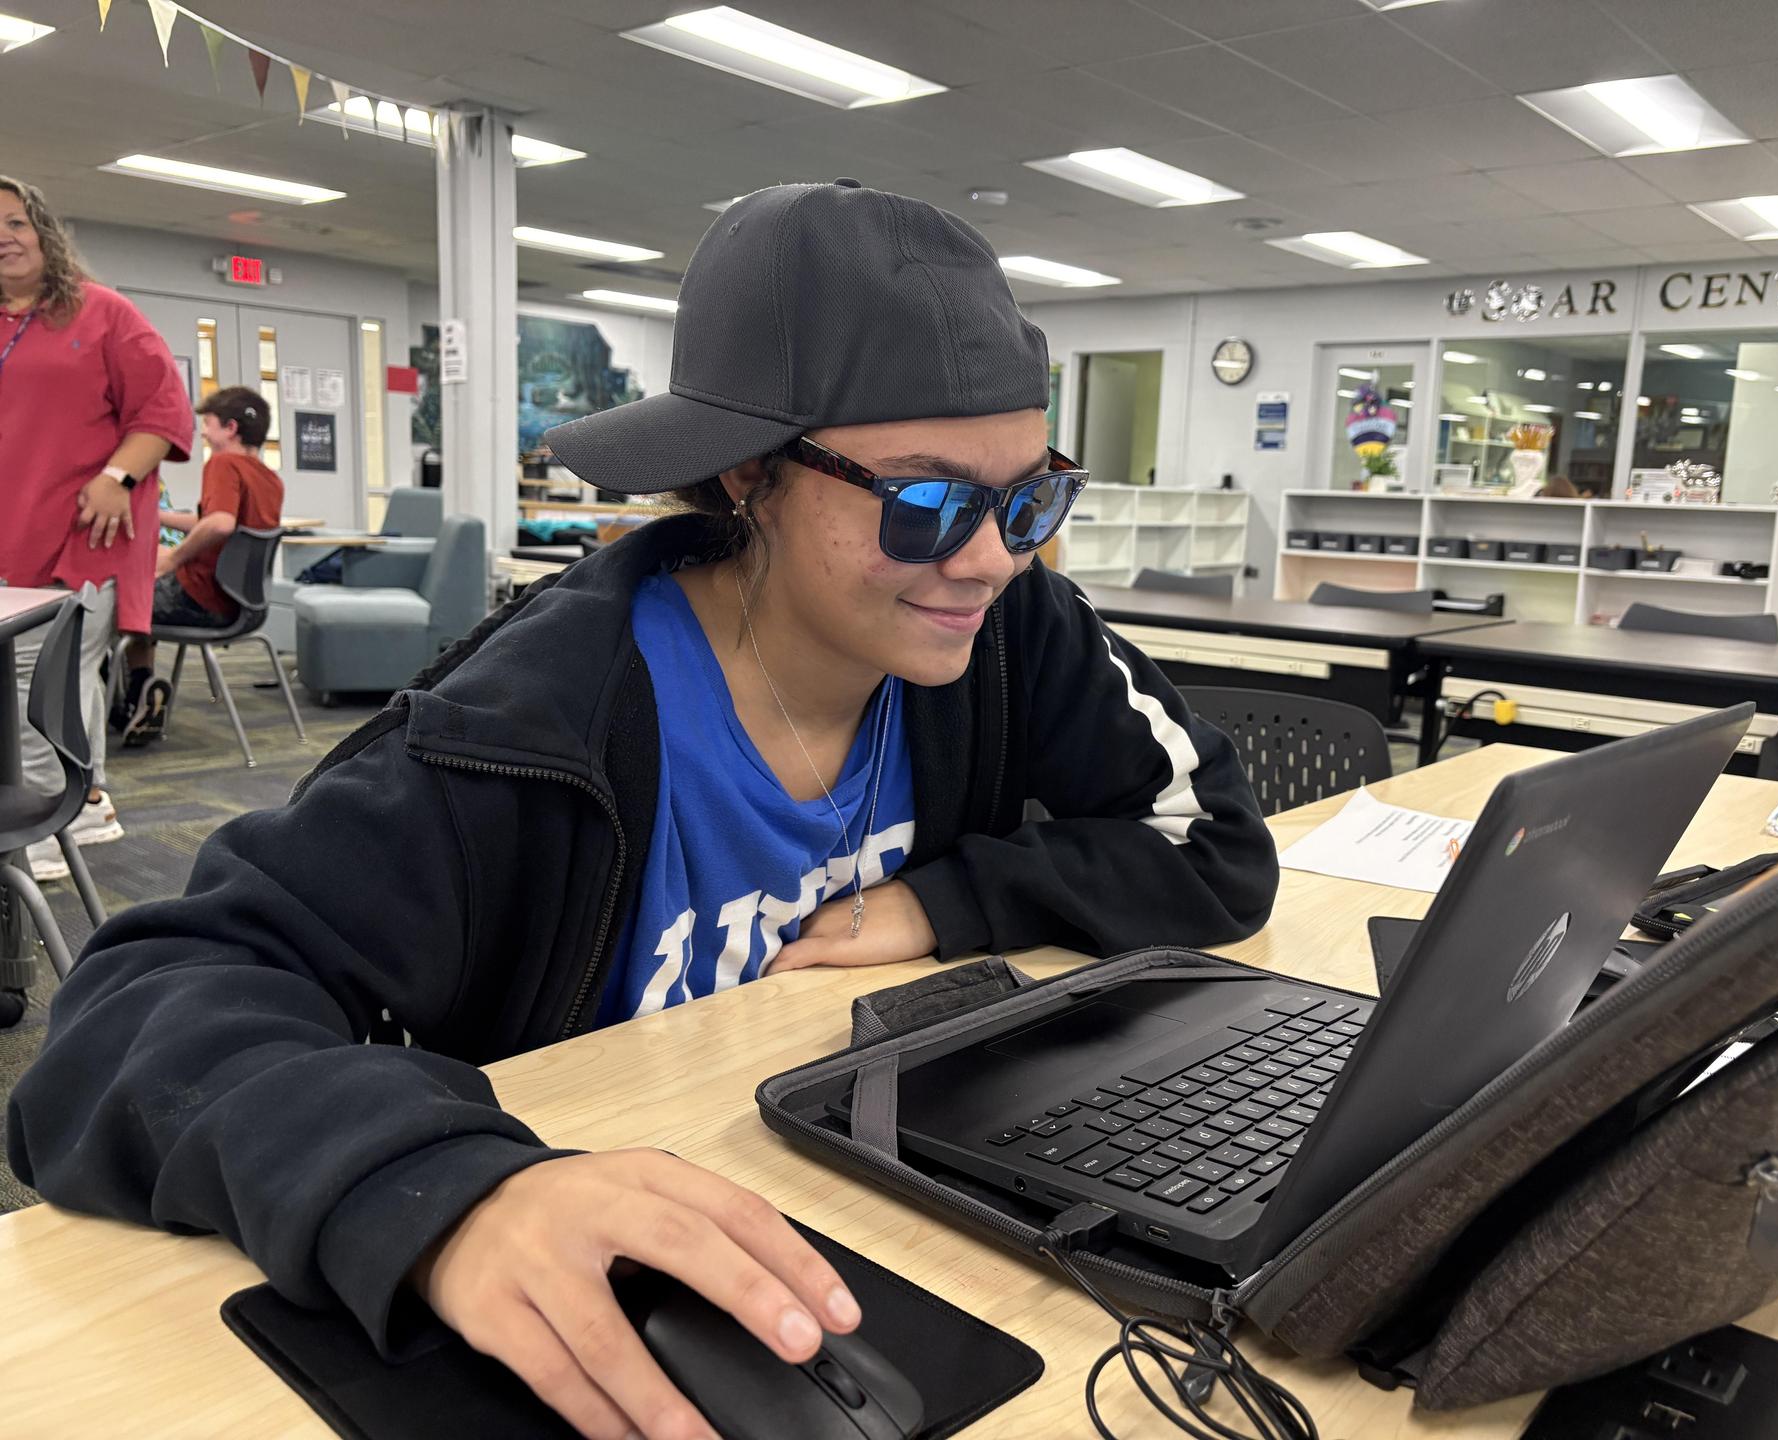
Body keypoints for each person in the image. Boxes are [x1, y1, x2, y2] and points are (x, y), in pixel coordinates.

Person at [10, 181, 1278, 1440]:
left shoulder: (1009, 632)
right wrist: (439, 1193)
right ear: (747, 475)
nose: (995, 556)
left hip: (875, 1209)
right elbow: (136, 1009)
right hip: (602, 1255)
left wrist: (956, 899)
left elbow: (1214, 842)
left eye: (1030, 495)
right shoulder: (521, 725)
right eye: (930, 500)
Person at [0, 176, 193, 880]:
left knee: (34, 680)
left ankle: (53, 816)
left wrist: (118, 477)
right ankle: (85, 802)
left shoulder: (103, 314)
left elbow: (164, 413)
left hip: (89, 530)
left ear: (43, 230)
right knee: (57, 678)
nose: (4, 237)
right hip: (11, 536)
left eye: (15, 222)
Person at [120, 386, 284, 745]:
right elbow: (216, 521)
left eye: (208, 424)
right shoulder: (269, 479)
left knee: (117, 603)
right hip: (243, 605)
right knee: (138, 601)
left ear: (230, 428)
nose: (204, 433)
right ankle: (141, 693)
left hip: (199, 597)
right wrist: (159, 516)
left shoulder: (223, 464)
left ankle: (134, 697)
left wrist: (171, 559)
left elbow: (221, 523)